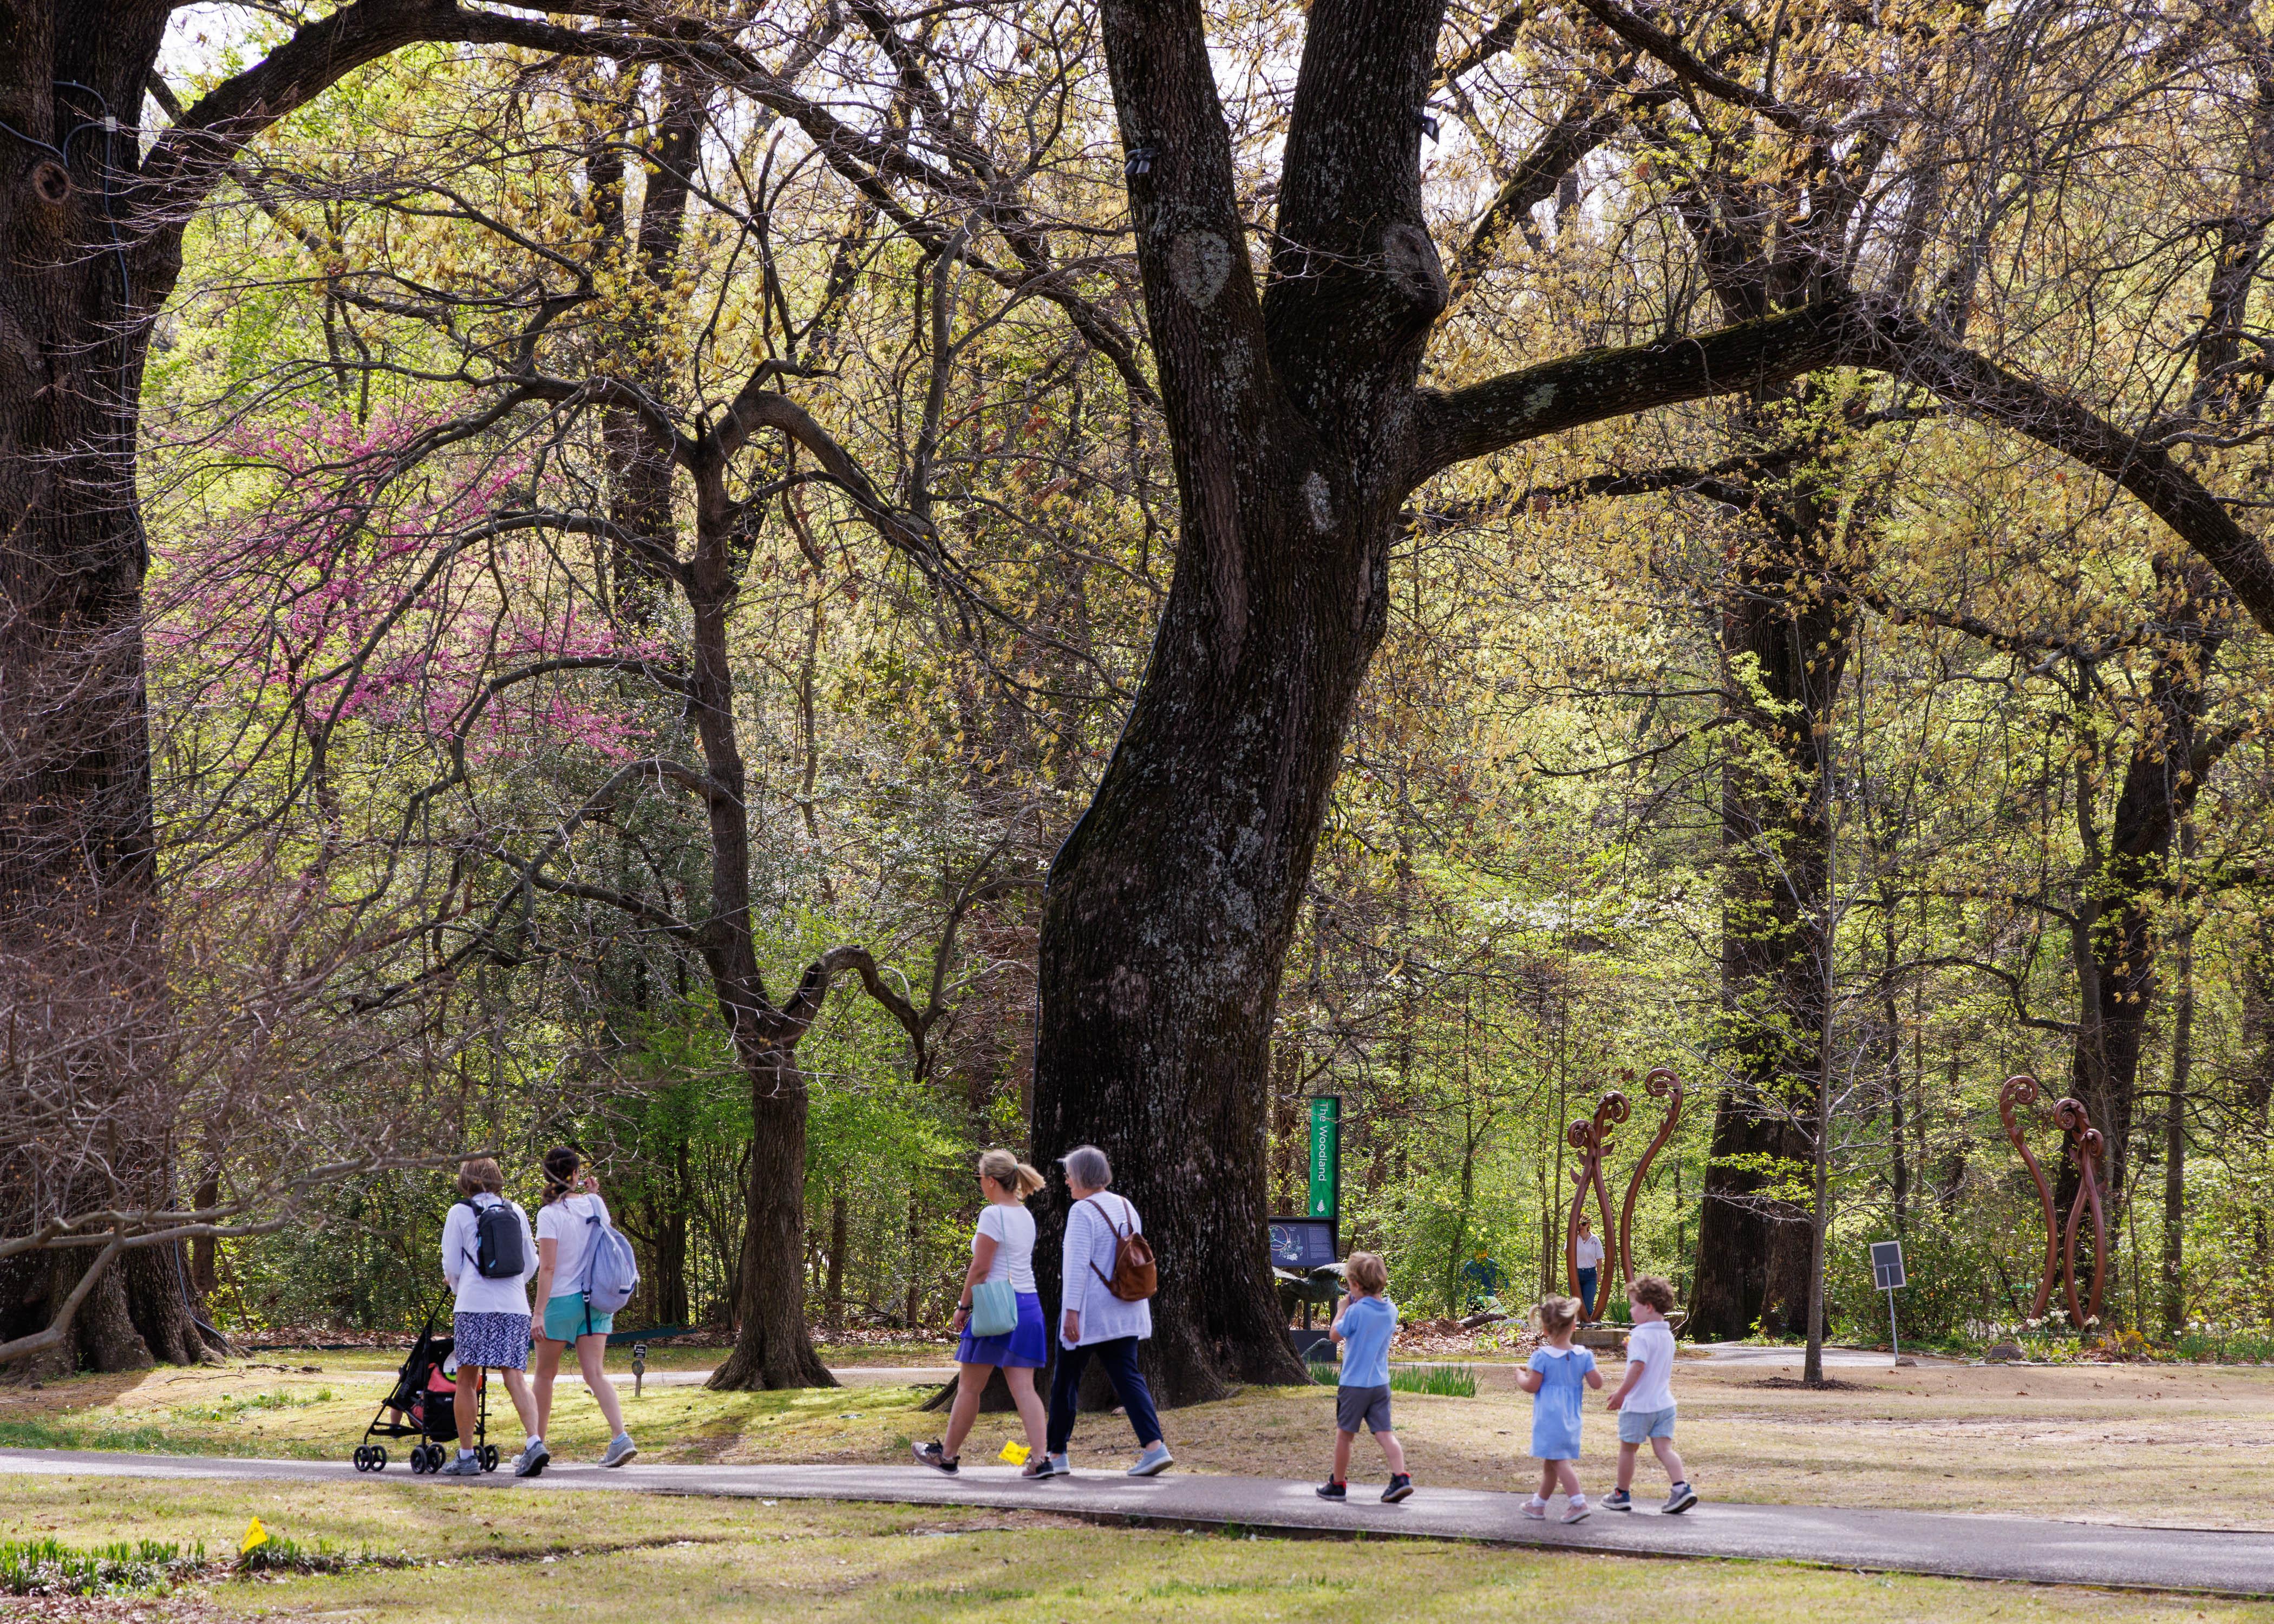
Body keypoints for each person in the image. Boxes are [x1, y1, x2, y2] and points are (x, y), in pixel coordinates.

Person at [913, 1149, 1051, 1476]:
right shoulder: (1025, 1215)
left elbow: (980, 1268)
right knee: (1025, 1389)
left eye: (980, 1178)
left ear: (991, 1181)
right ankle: (1041, 1459)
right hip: (1029, 1305)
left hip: (996, 1306)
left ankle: (947, 1456)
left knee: (970, 1387)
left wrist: (963, 1306)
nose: (980, 1184)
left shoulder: (993, 1215)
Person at [1041, 1144, 1171, 1478]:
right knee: (1129, 1377)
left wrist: (1070, 1313)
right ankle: (1155, 1447)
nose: (1066, 1180)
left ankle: (1057, 1453)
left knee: (1065, 1382)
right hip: (1126, 1308)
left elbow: (1076, 1266)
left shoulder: (1082, 1212)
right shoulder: (1126, 1206)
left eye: (1069, 1174)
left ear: (1082, 1175)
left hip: (1091, 1313)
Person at [529, 1147, 638, 1470]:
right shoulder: (595, 1204)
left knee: (545, 1376)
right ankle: (621, 1437)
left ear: (547, 1176)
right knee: (595, 1374)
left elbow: (547, 1269)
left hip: (561, 1302)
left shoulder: (549, 1214)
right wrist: (594, 1194)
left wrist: (538, 1313)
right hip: (596, 1301)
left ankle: (537, 1445)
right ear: (576, 1174)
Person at [437, 1157, 543, 1477]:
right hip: (514, 1306)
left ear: (466, 1181)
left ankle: (467, 1456)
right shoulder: (517, 1211)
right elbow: (531, 1263)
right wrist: (511, 1286)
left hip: (474, 1305)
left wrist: (461, 1286)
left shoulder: (459, 1213)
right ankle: (534, 1442)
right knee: (515, 1377)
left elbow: (452, 1265)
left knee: (467, 1380)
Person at [1315, 1251, 1413, 1503]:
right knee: (1385, 1433)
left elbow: (1335, 1335)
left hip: (1354, 1385)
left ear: (1356, 1285)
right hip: (1380, 1384)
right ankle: (1401, 1477)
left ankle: (1337, 1484)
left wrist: (1341, 1309)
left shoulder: (1355, 1312)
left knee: (1345, 1436)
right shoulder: (1391, 1310)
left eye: (1349, 1285)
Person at [1604, 1274, 1697, 1513]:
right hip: (1664, 1405)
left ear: (1647, 1307)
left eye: (1633, 1305)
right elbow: (1651, 1360)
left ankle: (1621, 1494)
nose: (1631, 1310)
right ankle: (1681, 1488)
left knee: (1628, 1449)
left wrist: (1621, 1394)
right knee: (1664, 1450)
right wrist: (1631, 1346)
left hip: (1638, 1405)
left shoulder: (1640, 1335)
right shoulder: (1666, 1335)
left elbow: (1639, 1367)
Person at [1517, 1294, 1600, 1522]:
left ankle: (1578, 1502)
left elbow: (1532, 1386)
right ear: (1574, 1325)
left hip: (1549, 1419)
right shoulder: (1584, 1356)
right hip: (1571, 1418)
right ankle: (1538, 1505)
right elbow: (1597, 1383)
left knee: (1559, 1461)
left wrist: (1520, 1377)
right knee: (1551, 1464)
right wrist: (1589, 1368)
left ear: (1545, 1329)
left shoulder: (1541, 1357)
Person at [1573, 1218, 1605, 1321]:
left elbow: (1599, 1259)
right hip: (1575, 1274)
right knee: (1577, 1305)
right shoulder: (1573, 1238)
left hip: (1590, 1275)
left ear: (1588, 1225)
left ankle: (1590, 1326)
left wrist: (1599, 1276)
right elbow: (1566, 1252)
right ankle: (1577, 1329)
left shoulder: (1595, 1240)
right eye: (1579, 1224)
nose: (1581, 1226)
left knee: (1587, 1305)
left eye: (1583, 1223)